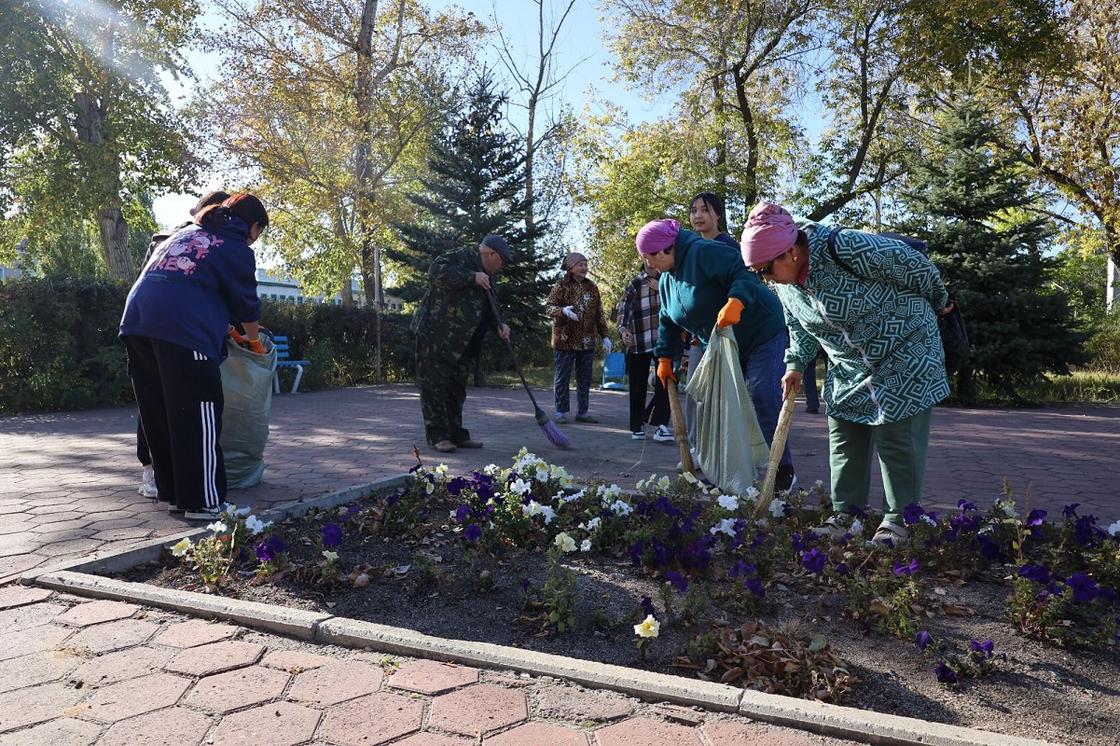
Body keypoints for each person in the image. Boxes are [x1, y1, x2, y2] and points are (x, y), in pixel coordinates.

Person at [741, 202, 955, 545]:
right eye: (758, 273)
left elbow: (915, 266)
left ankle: (899, 521)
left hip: (904, 347)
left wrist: (942, 303)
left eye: (766, 269)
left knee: (896, 437)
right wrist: (795, 363)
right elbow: (798, 323)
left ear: (792, 251)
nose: (764, 279)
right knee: (843, 433)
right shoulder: (782, 282)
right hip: (849, 364)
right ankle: (847, 514)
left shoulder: (845, 247)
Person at [119, 192, 266, 520]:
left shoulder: (188, 232)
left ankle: (174, 495)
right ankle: (203, 503)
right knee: (199, 415)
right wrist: (253, 341)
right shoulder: (236, 248)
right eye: (260, 232)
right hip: (184, 331)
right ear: (254, 227)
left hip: (137, 323)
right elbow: (246, 305)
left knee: (162, 415)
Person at [637, 218, 796, 491]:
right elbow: (668, 321)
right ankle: (731, 473)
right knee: (721, 404)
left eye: (651, 256)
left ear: (667, 249)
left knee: (760, 394)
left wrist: (736, 301)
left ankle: (782, 470)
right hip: (724, 346)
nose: (648, 263)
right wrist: (665, 358)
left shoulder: (704, 252)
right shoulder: (666, 281)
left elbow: (743, 272)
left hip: (761, 332)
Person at [135, 190, 230, 500]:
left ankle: (175, 482)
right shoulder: (182, 238)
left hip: (146, 324)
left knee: (161, 402)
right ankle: (160, 474)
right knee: (167, 404)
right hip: (171, 331)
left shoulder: (194, 239)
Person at [413, 234, 512, 453]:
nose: (502, 266)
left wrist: (501, 324)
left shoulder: (488, 275)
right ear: (491, 254)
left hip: (463, 342)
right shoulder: (463, 257)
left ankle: (456, 434)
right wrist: (471, 276)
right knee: (434, 386)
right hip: (436, 335)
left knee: (456, 389)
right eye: (501, 261)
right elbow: (435, 272)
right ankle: (438, 436)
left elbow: (492, 302)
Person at [683, 192, 737, 445]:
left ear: (717, 214)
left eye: (704, 210)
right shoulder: (690, 249)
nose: (698, 215)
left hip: (728, 331)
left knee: (725, 395)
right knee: (695, 389)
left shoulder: (728, 247)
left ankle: (725, 450)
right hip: (699, 335)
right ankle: (694, 447)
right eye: (694, 211)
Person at [545, 252, 611, 424]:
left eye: (585, 264)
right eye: (580, 264)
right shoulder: (561, 286)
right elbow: (548, 307)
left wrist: (605, 336)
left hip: (587, 340)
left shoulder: (592, 287)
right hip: (565, 339)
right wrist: (563, 311)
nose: (584, 268)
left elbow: (599, 314)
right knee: (563, 376)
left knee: (585, 377)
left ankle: (582, 412)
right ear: (570, 267)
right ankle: (560, 411)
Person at [616, 262, 672, 442]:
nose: (652, 260)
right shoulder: (636, 283)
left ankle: (661, 424)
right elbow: (623, 309)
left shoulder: (669, 279)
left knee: (666, 382)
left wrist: (662, 287)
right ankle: (637, 425)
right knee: (637, 384)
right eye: (648, 255)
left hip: (664, 340)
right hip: (638, 340)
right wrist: (623, 329)